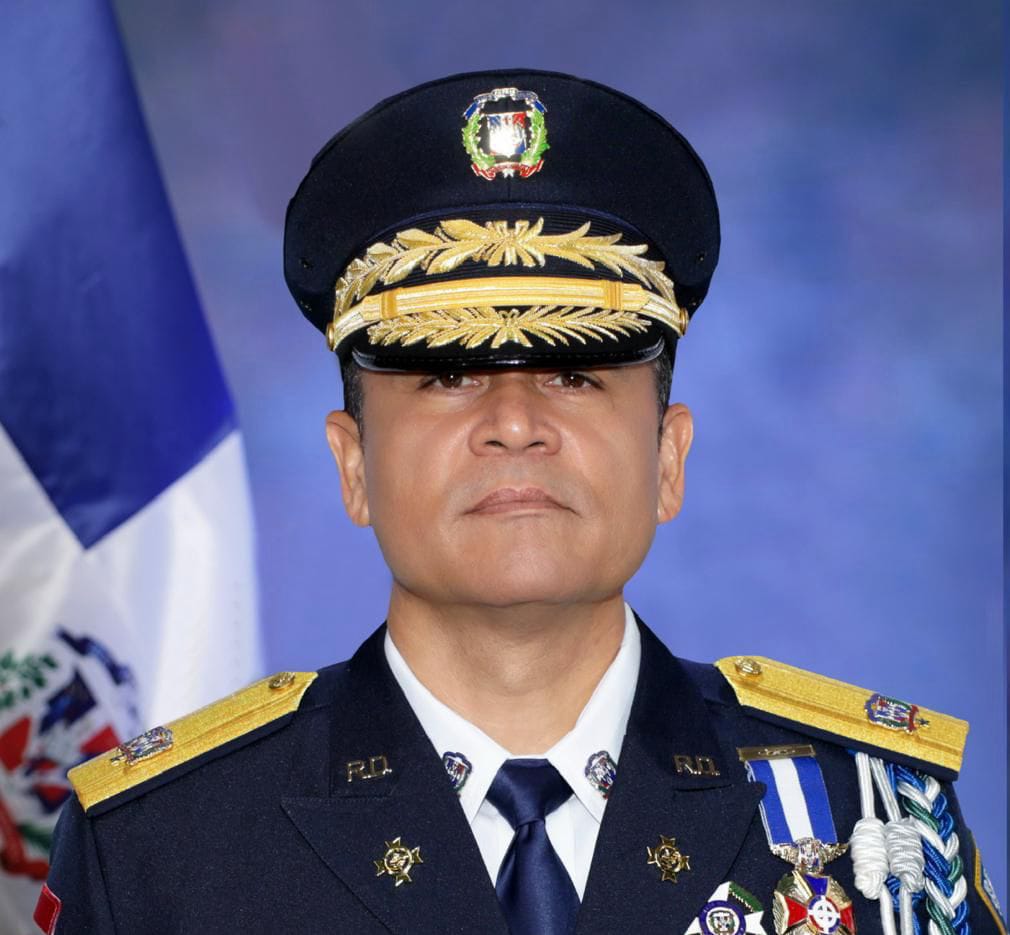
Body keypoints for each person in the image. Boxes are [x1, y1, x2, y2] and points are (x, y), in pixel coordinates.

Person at [36, 69, 1004, 935]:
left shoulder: (877, 823)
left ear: (667, 457)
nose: (513, 422)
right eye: (447, 375)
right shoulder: (163, 850)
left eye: (576, 374)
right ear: (353, 464)